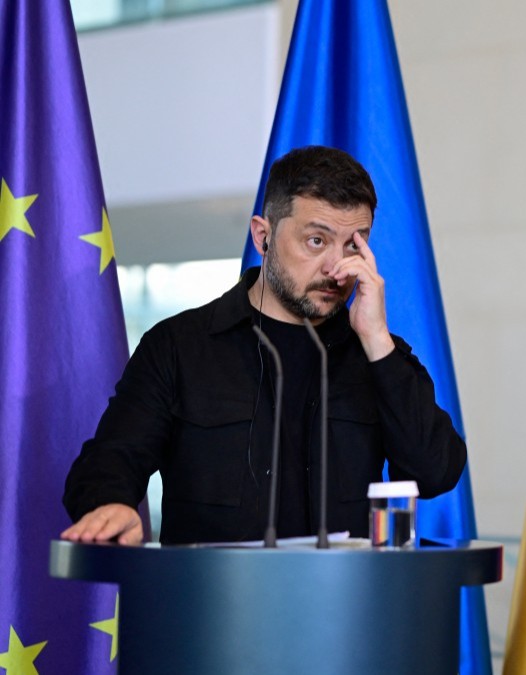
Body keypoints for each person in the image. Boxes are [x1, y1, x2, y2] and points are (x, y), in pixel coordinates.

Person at [62, 146, 466, 545]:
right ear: (263, 236)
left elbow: (435, 472)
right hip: (215, 604)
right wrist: (110, 503)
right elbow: (109, 460)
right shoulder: (178, 347)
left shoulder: (378, 354)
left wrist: (377, 340)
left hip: (346, 606)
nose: (336, 268)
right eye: (316, 241)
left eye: (352, 245)